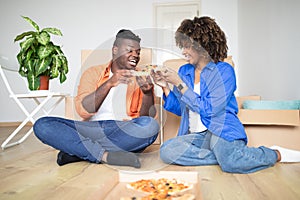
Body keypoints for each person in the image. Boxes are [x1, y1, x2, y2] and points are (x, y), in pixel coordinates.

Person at [151, 16, 300, 173]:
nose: (184, 51)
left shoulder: (224, 71)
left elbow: (210, 110)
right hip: (196, 137)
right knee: (167, 150)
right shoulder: (184, 71)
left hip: (220, 130)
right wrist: (165, 87)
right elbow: (182, 109)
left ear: (203, 46)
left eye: (187, 46)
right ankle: (229, 157)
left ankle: (274, 154)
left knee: (229, 163)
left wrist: (179, 84)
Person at [33, 29, 159, 168]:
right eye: (129, 50)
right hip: (90, 129)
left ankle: (77, 151)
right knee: (42, 125)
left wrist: (147, 93)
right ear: (115, 50)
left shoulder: (141, 76)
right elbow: (83, 110)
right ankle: (105, 155)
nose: (135, 55)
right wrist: (110, 83)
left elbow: (147, 118)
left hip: (123, 130)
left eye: (138, 52)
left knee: (151, 127)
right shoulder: (92, 73)